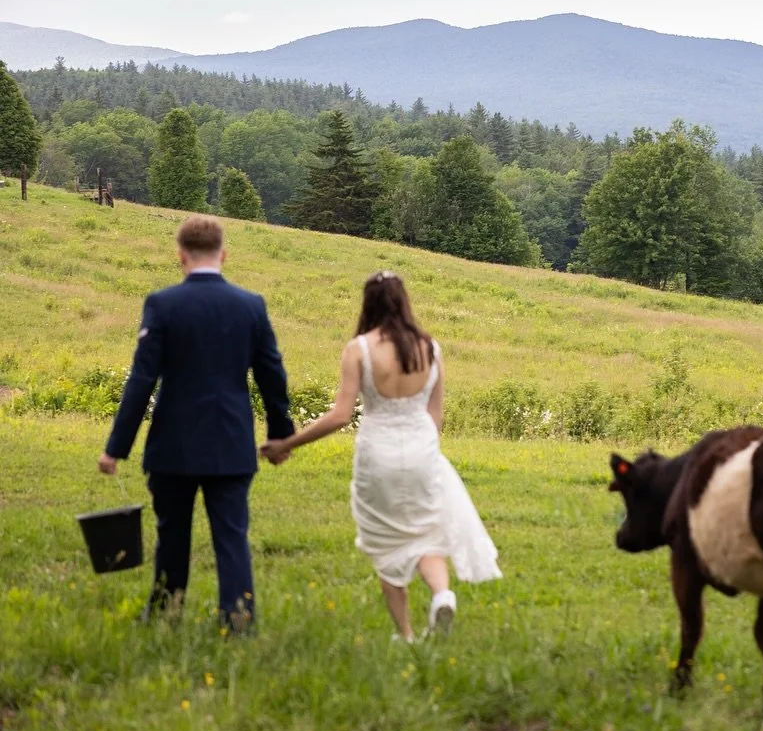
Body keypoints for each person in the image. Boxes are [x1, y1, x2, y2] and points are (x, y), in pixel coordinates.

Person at [260, 271, 500, 641]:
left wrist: (287, 443)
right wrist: (425, 450)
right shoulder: (430, 348)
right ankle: (442, 594)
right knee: (425, 530)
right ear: (404, 302)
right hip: (423, 451)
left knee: (386, 539)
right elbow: (436, 414)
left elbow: (341, 415)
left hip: (378, 453)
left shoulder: (359, 349)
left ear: (368, 303)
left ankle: (405, 635)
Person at [99, 215, 294, 632]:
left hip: (174, 442)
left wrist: (117, 447)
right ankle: (238, 619)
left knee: (172, 534)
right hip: (231, 440)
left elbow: (141, 380)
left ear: (180, 255)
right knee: (231, 536)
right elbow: (272, 376)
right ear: (223, 254)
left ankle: (166, 614)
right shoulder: (250, 305)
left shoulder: (163, 304)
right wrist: (280, 434)